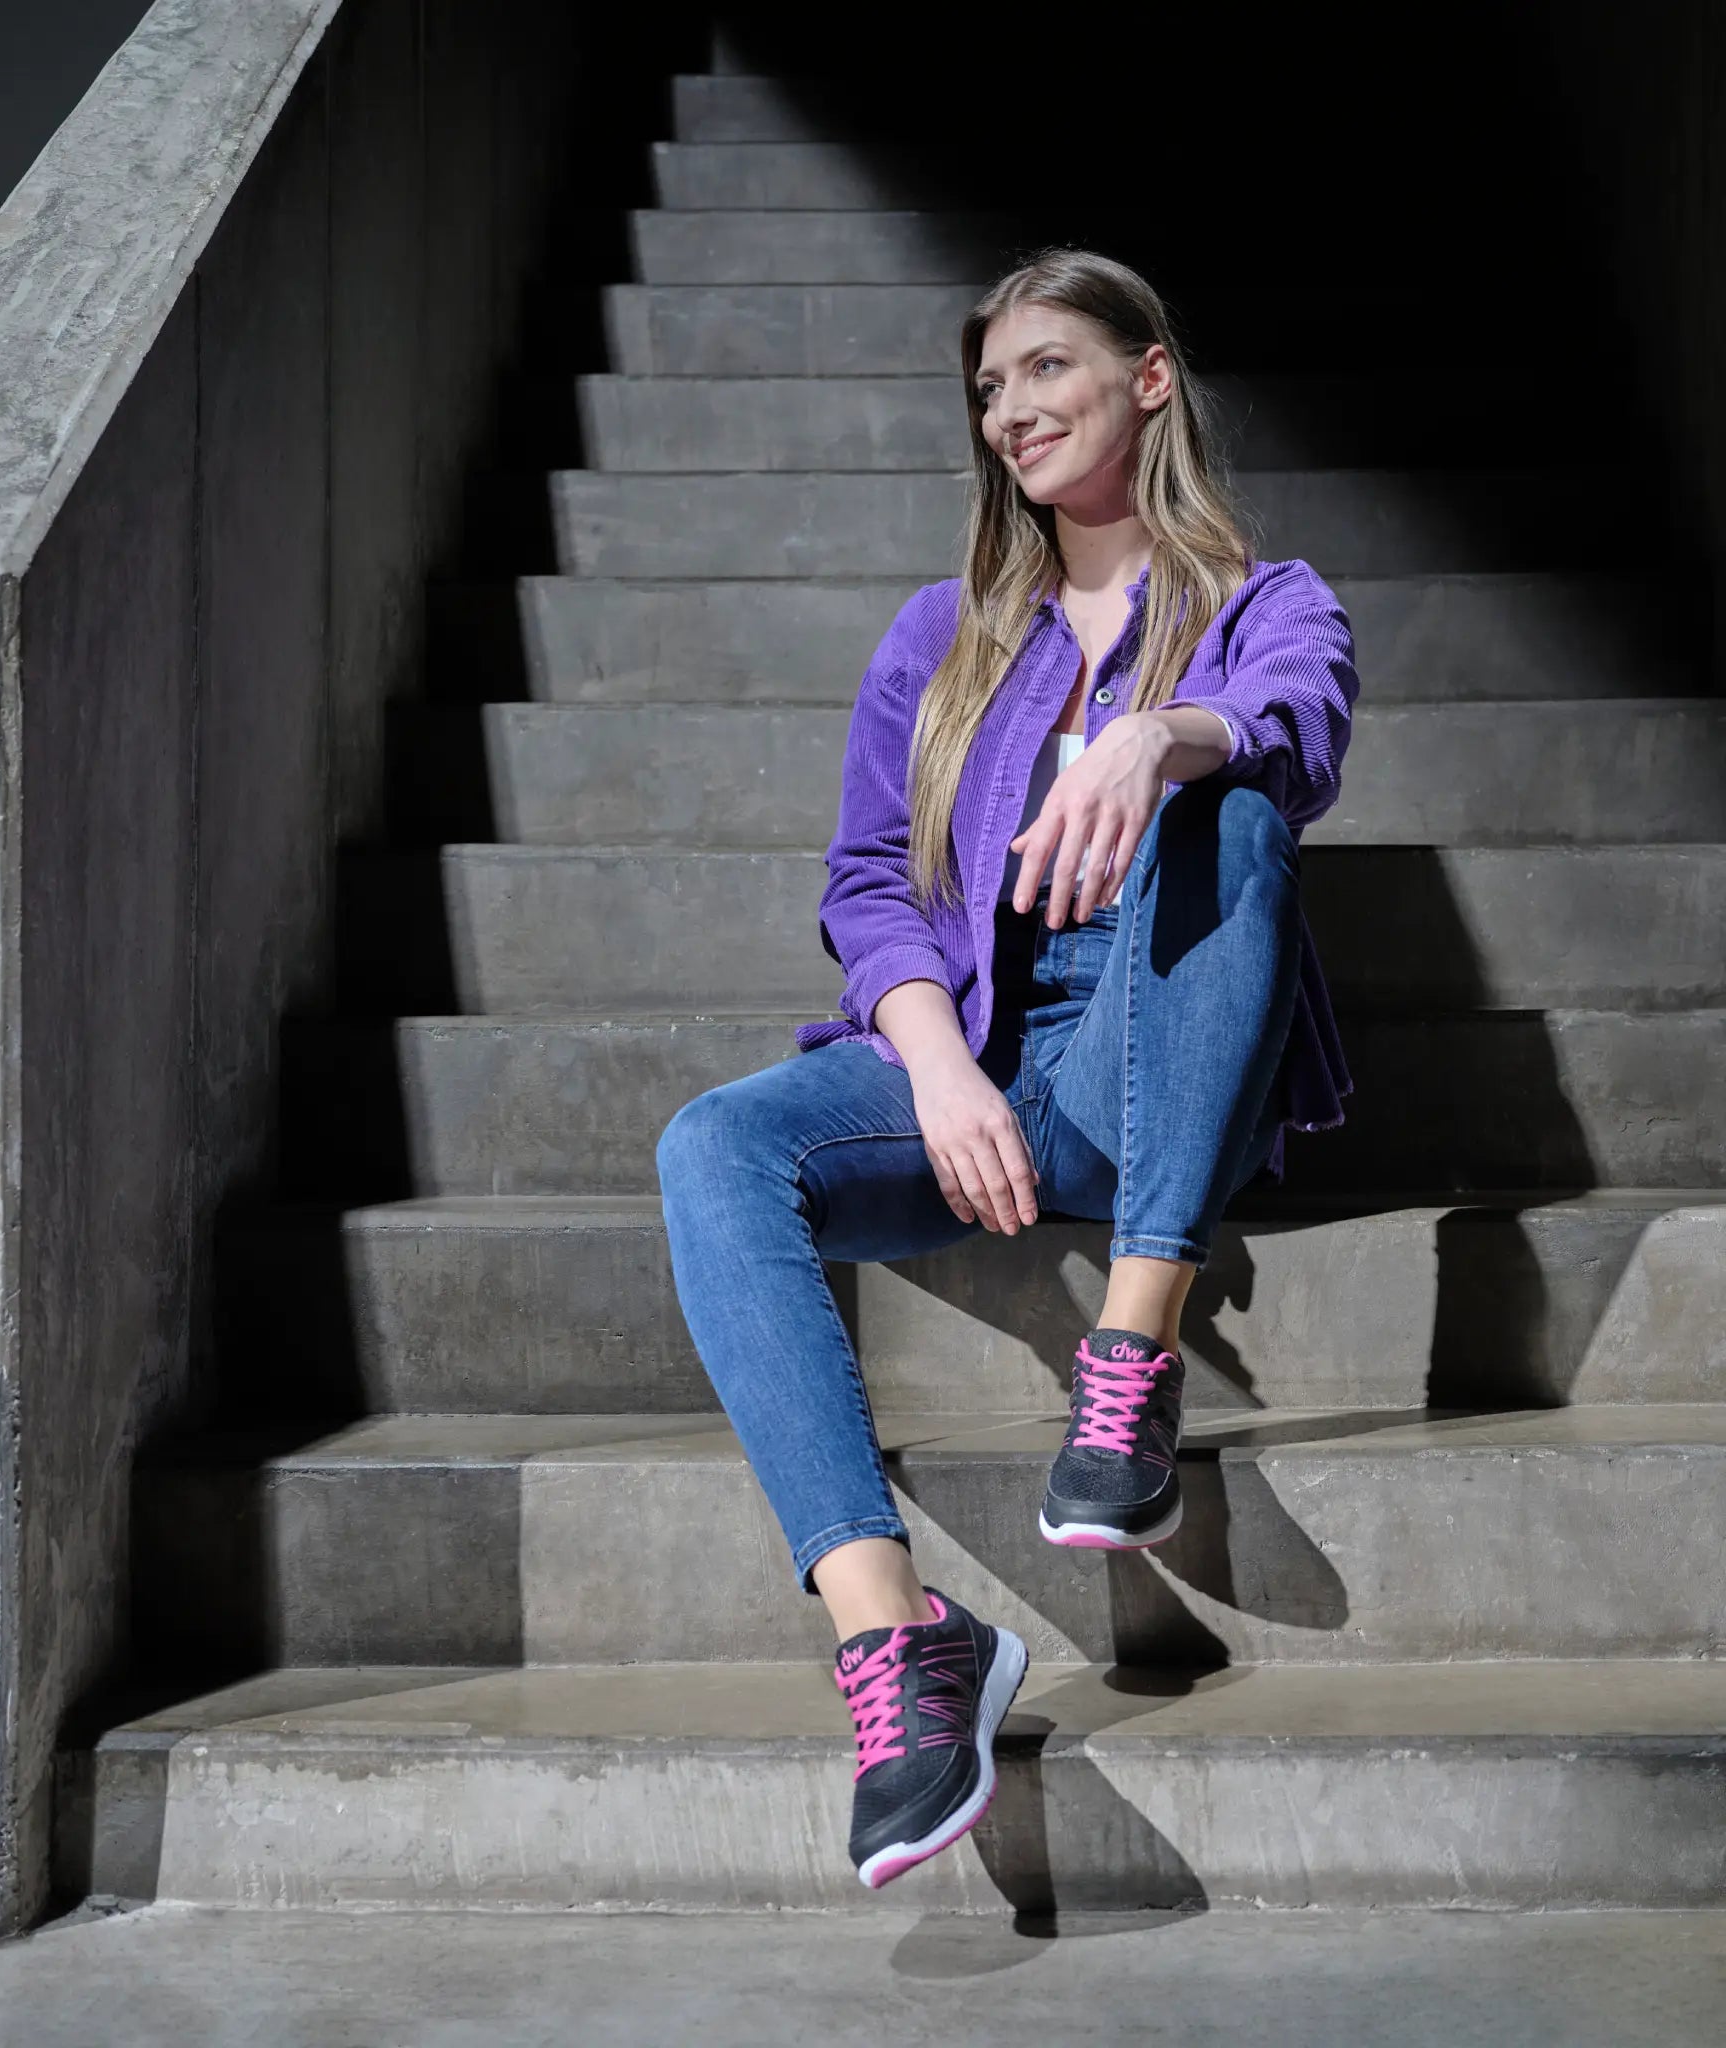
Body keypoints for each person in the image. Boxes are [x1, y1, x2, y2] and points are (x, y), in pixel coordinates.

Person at [652, 246, 1360, 1891]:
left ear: (1149, 377)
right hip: (973, 1065)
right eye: (990, 388)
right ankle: (903, 1652)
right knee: (713, 1148)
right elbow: (864, 884)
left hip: (1152, 1070)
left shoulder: (1268, 601)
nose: (1013, 410)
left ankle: (1133, 1354)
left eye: (1048, 368)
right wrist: (939, 1073)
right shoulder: (947, 638)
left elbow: (1297, 730)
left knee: (1228, 803)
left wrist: (1156, 734)